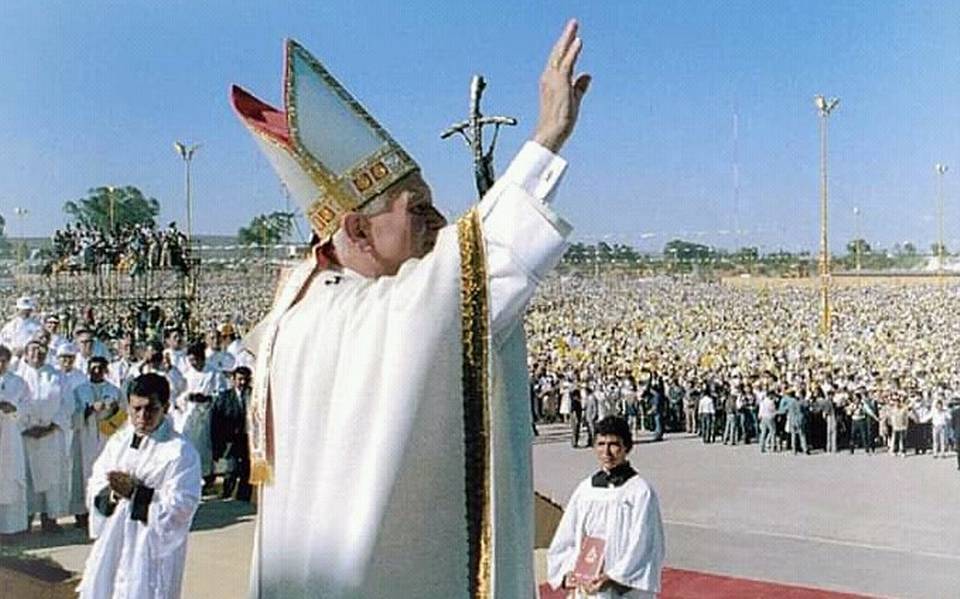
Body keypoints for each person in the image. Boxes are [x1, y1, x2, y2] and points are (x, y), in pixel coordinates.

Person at [232, 19, 589, 597]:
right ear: (356, 228)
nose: (437, 224)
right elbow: (462, 282)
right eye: (416, 209)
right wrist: (545, 137)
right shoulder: (353, 319)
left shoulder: (301, 314)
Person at [77, 373, 202, 599]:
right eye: (136, 409)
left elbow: (183, 506)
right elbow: (97, 482)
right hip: (114, 541)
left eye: (151, 409)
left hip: (149, 548)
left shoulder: (180, 451)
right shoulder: (119, 441)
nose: (142, 416)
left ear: (165, 407)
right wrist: (113, 495)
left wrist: (137, 494)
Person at [546, 416, 664, 598]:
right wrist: (566, 573)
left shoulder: (640, 492)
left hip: (623, 589)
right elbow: (567, 536)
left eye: (614, 444)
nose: (606, 452)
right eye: (601, 444)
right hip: (588, 589)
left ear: (627, 447)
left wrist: (613, 577)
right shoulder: (586, 489)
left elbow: (645, 544)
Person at [17, 336, 70, 532]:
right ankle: (26, 519)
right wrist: (25, 426)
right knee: (26, 476)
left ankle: (50, 518)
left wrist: (51, 425)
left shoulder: (57, 376)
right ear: (25, 352)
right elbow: (14, 405)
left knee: (51, 476)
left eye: (41, 350)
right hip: (25, 435)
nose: (37, 354)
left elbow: (67, 403)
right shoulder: (18, 377)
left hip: (51, 435)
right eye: (32, 350)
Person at [70, 356, 126, 526]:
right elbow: (72, 417)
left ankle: (105, 509)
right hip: (85, 439)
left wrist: (112, 412)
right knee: (83, 474)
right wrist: (89, 409)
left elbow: (124, 415)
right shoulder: (79, 390)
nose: (96, 371)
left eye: (100, 368)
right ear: (88, 369)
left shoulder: (115, 391)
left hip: (106, 439)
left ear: (106, 370)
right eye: (93, 368)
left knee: (106, 473)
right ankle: (82, 513)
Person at [172, 342, 222, 489]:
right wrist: (186, 398)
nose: (193, 363)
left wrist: (205, 398)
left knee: (204, 447)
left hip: (206, 415)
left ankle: (206, 476)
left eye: (195, 360)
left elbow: (220, 394)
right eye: (191, 360)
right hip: (188, 415)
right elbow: (179, 395)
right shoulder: (187, 374)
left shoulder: (213, 373)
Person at [0, 345, 30, 535]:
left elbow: (27, 408)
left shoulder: (19, 382)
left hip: (10, 436)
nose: (0, 363)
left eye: (4, 360)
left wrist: (14, 410)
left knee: (11, 478)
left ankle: (11, 528)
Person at [211, 366, 252, 501]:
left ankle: (243, 495)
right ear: (233, 380)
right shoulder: (225, 397)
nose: (242, 383)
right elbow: (217, 420)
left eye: (245, 380)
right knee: (231, 468)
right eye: (240, 379)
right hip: (231, 438)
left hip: (248, 437)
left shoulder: (253, 395)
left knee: (247, 467)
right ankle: (227, 492)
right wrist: (218, 441)